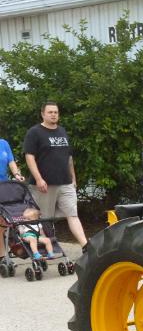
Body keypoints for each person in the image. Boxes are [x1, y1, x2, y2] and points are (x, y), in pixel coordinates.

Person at [23, 102, 87, 248]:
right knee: (44, 218)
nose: (53, 115)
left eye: (56, 112)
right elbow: (29, 157)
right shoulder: (35, 132)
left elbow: (68, 158)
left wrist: (73, 178)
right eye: (50, 112)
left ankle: (86, 246)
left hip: (65, 182)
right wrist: (39, 179)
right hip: (44, 185)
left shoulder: (62, 131)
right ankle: (44, 249)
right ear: (43, 114)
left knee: (72, 214)